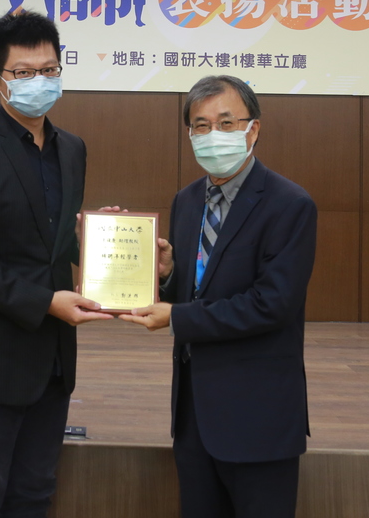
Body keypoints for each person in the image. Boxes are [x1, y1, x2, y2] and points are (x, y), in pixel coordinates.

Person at [0, 9, 112, 518]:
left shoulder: (71, 149)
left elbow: (51, 244)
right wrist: (44, 301)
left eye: (49, 70)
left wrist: (101, 242)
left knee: (33, 497)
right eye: (24, 73)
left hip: (52, 364)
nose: (39, 82)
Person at [121, 74, 316, 518]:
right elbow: (197, 288)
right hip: (193, 418)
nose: (214, 135)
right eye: (201, 126)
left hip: (258, 416)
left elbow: (272, 304)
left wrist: (176, 318)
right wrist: (168, 277)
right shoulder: (187, 201)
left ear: (254, 128)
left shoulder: (290, 204)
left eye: (227, 123)